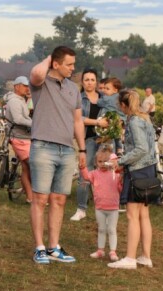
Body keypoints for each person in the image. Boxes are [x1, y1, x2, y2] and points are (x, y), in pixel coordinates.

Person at [28, 46, 86, 264]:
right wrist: (49, 57)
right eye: (69, 64)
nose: (73, 68)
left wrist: (81, 149)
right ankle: (39, 247)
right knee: (40, 199)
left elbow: (77, 121)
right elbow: (35, 73)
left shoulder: (73, 88)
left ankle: (54, 246)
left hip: (66, 149)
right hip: (43, 147)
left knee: (59, 200)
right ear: (55, 64)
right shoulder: (40, 84)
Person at [108, 90, 157, 269]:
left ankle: (130, 258)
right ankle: (145, 256)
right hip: (148, 170)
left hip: (138, 172)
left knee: (132, 215)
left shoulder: (135, 121)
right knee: (144, 215)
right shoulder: (145, 118)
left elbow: (141, 149)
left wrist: (120, 161)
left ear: (123, 105)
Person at [71, 68, 109, 221]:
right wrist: (98, 122)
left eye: (92, 80)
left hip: (104, 140)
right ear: (82, 82)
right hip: (88, 139)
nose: (89, 82)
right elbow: (79, 119)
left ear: (96, 81)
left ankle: (106, 206)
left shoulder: (104, 98)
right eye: (86, 79)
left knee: (105, 173)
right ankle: (81, 208)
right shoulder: (79, 98)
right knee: (84, 174)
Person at [80, 146, 122, 262]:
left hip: (113, 208)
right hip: (99, 208)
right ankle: (100, 250)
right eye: (100, 161)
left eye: (105, 161)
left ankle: (113, 251)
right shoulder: (94, 173)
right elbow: (86, 177)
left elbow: (120, 188)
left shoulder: (116, 174)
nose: (103, 164)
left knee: (112, 229)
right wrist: (83, 167)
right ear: (96, 162)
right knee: (101, 229)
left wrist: (122, 179)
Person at [4, 76, 33, 203]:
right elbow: (17, 119)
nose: (27, 88)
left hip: (24, 137)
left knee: (27, 168)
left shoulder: (20, 99)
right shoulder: (15, 101)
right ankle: (33, 196)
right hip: (20, 138)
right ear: (17, 87)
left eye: (28, 86)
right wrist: (34, 123)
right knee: (33, 166)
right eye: (25, 85)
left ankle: (30, 197)